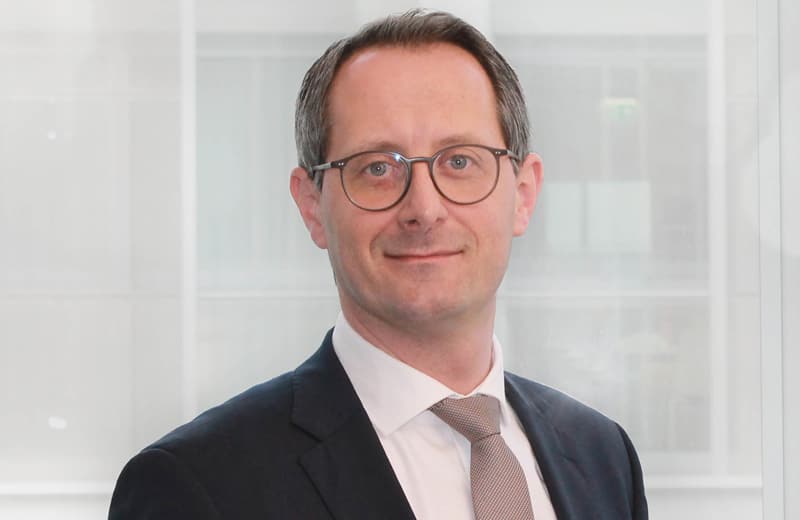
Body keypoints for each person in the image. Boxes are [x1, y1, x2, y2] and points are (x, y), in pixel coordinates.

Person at [109, 9, 647, 520]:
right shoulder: (197, 485)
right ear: (312, 206)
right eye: (377, 168)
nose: (424, 209)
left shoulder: (602, 456)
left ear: (523, 194)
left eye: (460, 161)